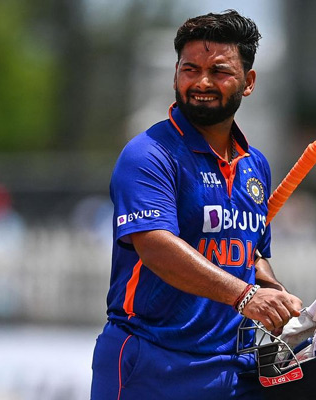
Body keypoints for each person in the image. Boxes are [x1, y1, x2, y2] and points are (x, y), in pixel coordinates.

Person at [90, 10, 303, 400]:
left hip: (231, 367)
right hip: (150, 361)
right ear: (176, 75)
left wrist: (278, 297)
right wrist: (247, 296)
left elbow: (251, 252)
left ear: (248, 82)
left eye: (219, 71)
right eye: (190, 69)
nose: (202, 82)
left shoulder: (255, 165)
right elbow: (155, 245)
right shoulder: (149, 154)